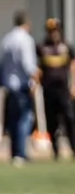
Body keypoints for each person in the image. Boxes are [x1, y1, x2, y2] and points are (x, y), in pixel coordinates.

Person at [0, 11, 39, 167]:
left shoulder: (7, 39)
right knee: (24, 118)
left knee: (13, 119)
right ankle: (21, 152)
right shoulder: (25, 39)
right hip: (21, 84)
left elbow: (1, 64)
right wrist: (35, 80)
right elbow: (28, 64)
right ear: (27, 23)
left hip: (9, 84)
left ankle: (14, 152)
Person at [37, 18, 75, 159]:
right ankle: (55, 151)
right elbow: (38, 68)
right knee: (52, 120)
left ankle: (73, 147)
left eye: (55, 30)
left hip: (63, 89)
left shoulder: (66, 46)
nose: (54, 33)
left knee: (69, 118)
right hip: (48, 89)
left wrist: (73, 84)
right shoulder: (42, 47)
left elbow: (72, 65)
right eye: (51, 31)